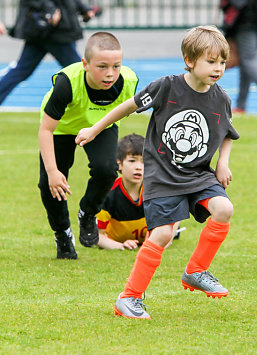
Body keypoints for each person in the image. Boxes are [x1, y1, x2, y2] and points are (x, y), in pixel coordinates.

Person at [75, 25, 240, 319]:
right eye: (211, 62)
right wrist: (95, 128)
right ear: (190, 61)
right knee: (163, 234)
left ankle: (196, 270)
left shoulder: (222, 98)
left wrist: (223, 163)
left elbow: (228, 133)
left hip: (199, 175)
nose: (218, 69)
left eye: (222, 62)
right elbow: (127, 107)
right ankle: (129, 298)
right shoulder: (167, 86)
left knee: (224, 208)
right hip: (163, 177)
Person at [38, 32, 139, 260]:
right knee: (50, 185)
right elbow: (46, 130)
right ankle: (63, 233)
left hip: (100, 125)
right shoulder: (67, 83)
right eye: (102, 67)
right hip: (62, 128)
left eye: (116, 66)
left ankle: (88, 213)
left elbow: (126, 110)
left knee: (106, 169)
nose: (110, 74)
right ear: (85, 64)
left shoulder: (129, 81)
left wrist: (97, 129)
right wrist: (53, 172)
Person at [96, 133, 183, 250]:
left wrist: (166, 239)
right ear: (119, 164)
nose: (139, 167)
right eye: (132, 161)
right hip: (118, 239)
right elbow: (98, 237)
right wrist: (120, 246)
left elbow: (177, 212)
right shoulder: (108, 195)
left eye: (144, 161)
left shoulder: (157, 189)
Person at [0, 0, 96, 105]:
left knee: (20, 71)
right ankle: (97, 103)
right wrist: (51, 11)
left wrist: (84, 9)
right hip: (56, 33)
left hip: (44, 32)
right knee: (80, 71)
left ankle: (94, 103)